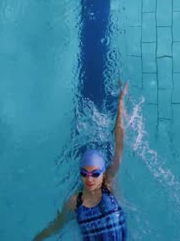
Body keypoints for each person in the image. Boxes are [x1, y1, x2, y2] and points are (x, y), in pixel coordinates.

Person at [34, 82, 129, 241]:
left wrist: (120, 103)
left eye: (95, 173)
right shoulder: (74, 202)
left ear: (103, 173)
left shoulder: (109, 186)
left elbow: (119, 145)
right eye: (84, 173)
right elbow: (56, 226)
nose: (89, 179)